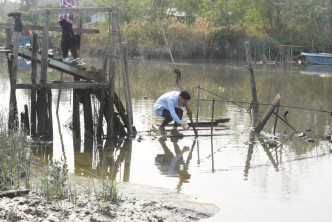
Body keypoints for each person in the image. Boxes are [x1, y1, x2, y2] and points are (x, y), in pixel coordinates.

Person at [58, 0, 85, 66]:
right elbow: (63, 4)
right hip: (64, 20)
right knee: (73, 39)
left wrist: (74, 7)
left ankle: (65, 58)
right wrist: (73, 7)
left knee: (65, 40)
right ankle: (76, 59)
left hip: (68, 21)